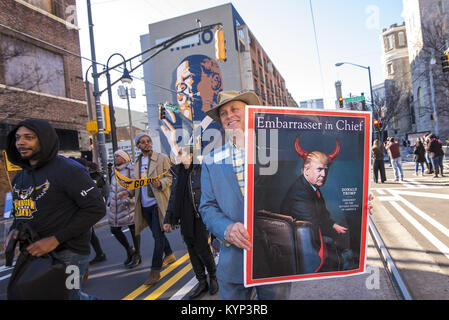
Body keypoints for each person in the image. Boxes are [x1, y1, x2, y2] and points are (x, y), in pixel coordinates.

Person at [199, 90, 292, 300]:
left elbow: (297, 193)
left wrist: (353, 204)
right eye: (223, 113)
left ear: (249, 112)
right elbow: (207, 207)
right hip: (233, 264)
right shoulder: (210, 160)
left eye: (234, 109)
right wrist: (226, 228)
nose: (229, 115)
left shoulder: (277, 153)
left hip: (274, 262)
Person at [5, 119, 105, 299]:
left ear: (44, 139)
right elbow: (21, 212)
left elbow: (96, 208)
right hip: (35, 252)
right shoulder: (20, 177)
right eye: (18, 138)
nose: (20, 142)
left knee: (71, 296)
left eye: (29, 137)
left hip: (71, 253)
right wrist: (13, 231)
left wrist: (55, 239)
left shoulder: (69, 169)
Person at [280, 137, 354, 272]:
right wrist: (335, 242)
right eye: (319, 169)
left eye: (326, 169)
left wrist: (333, 224)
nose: (324, 174)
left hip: (308, 239)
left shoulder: (311, 188)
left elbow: (322, 215)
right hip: (304, 248)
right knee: (347, 257)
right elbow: (313, 225)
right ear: (306, 170)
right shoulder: (300, 194)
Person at [163, 145, 218, 299]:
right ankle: (201, 282)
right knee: (192, 250)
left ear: (191, 155)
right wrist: (168, 219)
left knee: (202, 248)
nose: (178, 155)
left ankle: (213, 277)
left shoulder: (200, 170)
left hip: (200, 214)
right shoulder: (177, 172)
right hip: (185, 217)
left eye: (181, 152)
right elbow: (173, 197)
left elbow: (211, 191)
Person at [133, 132, 175, 286]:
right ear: (138, 145)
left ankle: (155, 271)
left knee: (158, 237)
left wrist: (160, 183)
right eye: (143, 142)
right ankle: (169, 254)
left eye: (148, 141)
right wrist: (128, 192)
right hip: (144, 206)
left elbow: (170, 177)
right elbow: (135, 184)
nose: (146, 144)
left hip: (158, 204)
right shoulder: (136, 163)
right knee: (157, 234)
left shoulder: (162, 158)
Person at [107, 150, 141, 268]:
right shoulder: (114, 172)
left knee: (133, 229)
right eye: (115, 155)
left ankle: (137, 255)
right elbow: (112, 188)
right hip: (116, 207)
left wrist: (128, 196)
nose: (115, 157)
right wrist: (109, 201)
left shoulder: (130, 169)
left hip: (128, 205)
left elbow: (135, 185)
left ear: (124, 158)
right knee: (114, 229)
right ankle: (129, 250)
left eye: (118, 156)